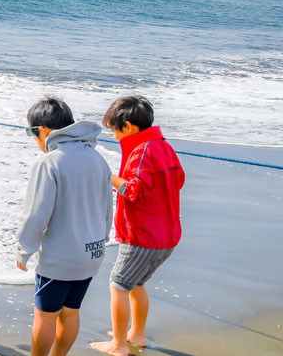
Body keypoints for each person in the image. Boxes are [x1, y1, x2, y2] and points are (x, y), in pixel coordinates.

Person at [16, 97, 114, 356]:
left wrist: (23, 249)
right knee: (70, 312)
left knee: (46, 316)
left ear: (44, 131)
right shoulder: (97, 159)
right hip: (91, 254)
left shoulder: (49, 162)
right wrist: (100, 239)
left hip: (61, 258)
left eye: (31, 132)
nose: (34, 139)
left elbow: (36, 213)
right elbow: (107, 208)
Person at [90, 96, 184, 356]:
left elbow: (134, 192)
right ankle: (136, 334)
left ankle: (118, 345)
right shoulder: (163, 146)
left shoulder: (141, 151)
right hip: (167, 235)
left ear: (129, 126)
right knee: (136, 283)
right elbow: (180, 180)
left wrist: (108, 177)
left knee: (118, 284)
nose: (114, 136)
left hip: (143, 236)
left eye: (114, 130)